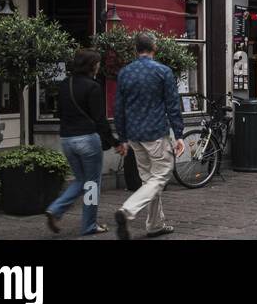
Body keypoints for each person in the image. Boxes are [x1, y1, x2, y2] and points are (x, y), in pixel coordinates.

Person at [112, 32, 185, 240]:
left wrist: (123, 137)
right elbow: (172, 106)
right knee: (161, 175)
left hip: (134, 135)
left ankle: (154, 225)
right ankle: (127, 211)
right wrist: (179, 134)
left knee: (149, 182)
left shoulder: (125, 73)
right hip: (155, 133)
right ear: (154, 47)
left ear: (137, 49)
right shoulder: (163, 72)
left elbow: (119, 108)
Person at [45, 49, 118, 236]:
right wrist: (114, 141)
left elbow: (59, 113)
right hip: (87, 139)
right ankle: (89, 225)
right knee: (92, 184)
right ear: (92, 66)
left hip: (67, 139)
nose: (99, 66)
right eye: (98, 63)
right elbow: (100, 119)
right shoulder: (93, 87)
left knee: (81, 180)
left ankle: (56, 209)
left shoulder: (64, 85)